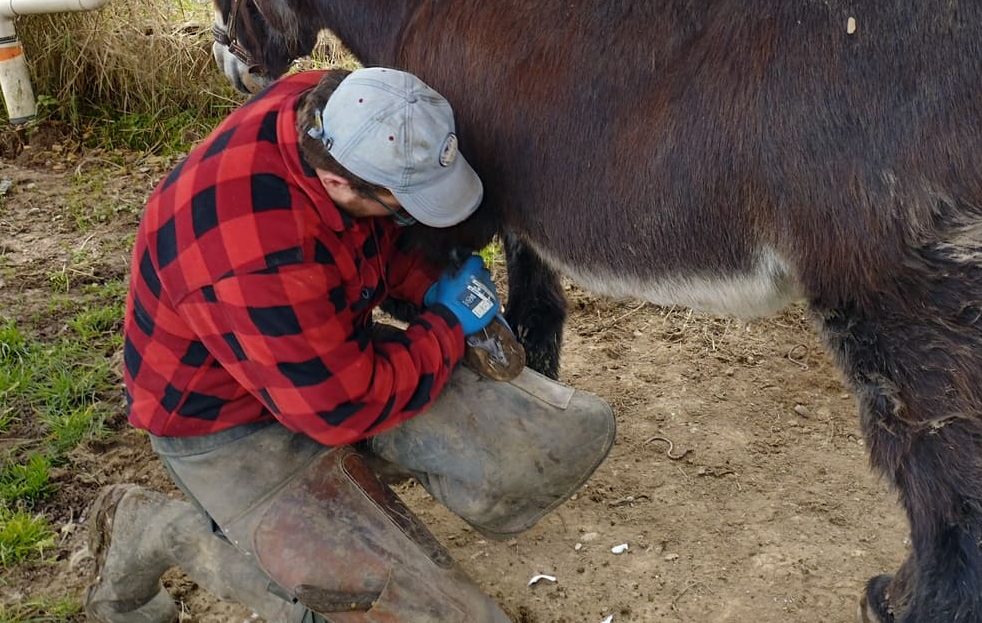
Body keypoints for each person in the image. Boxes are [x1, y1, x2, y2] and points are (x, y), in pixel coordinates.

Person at [85, 66, 615, 623]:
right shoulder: (255, 255)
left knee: (557, 440)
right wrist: (446, 327)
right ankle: (161, 530)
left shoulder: (336, 105)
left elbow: (378, 239)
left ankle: (347, 494)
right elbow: (345, 406)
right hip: (228, 427)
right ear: (339, 184)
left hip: (321, 352)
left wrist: (428, 282)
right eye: (405, 204)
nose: (411, 216)